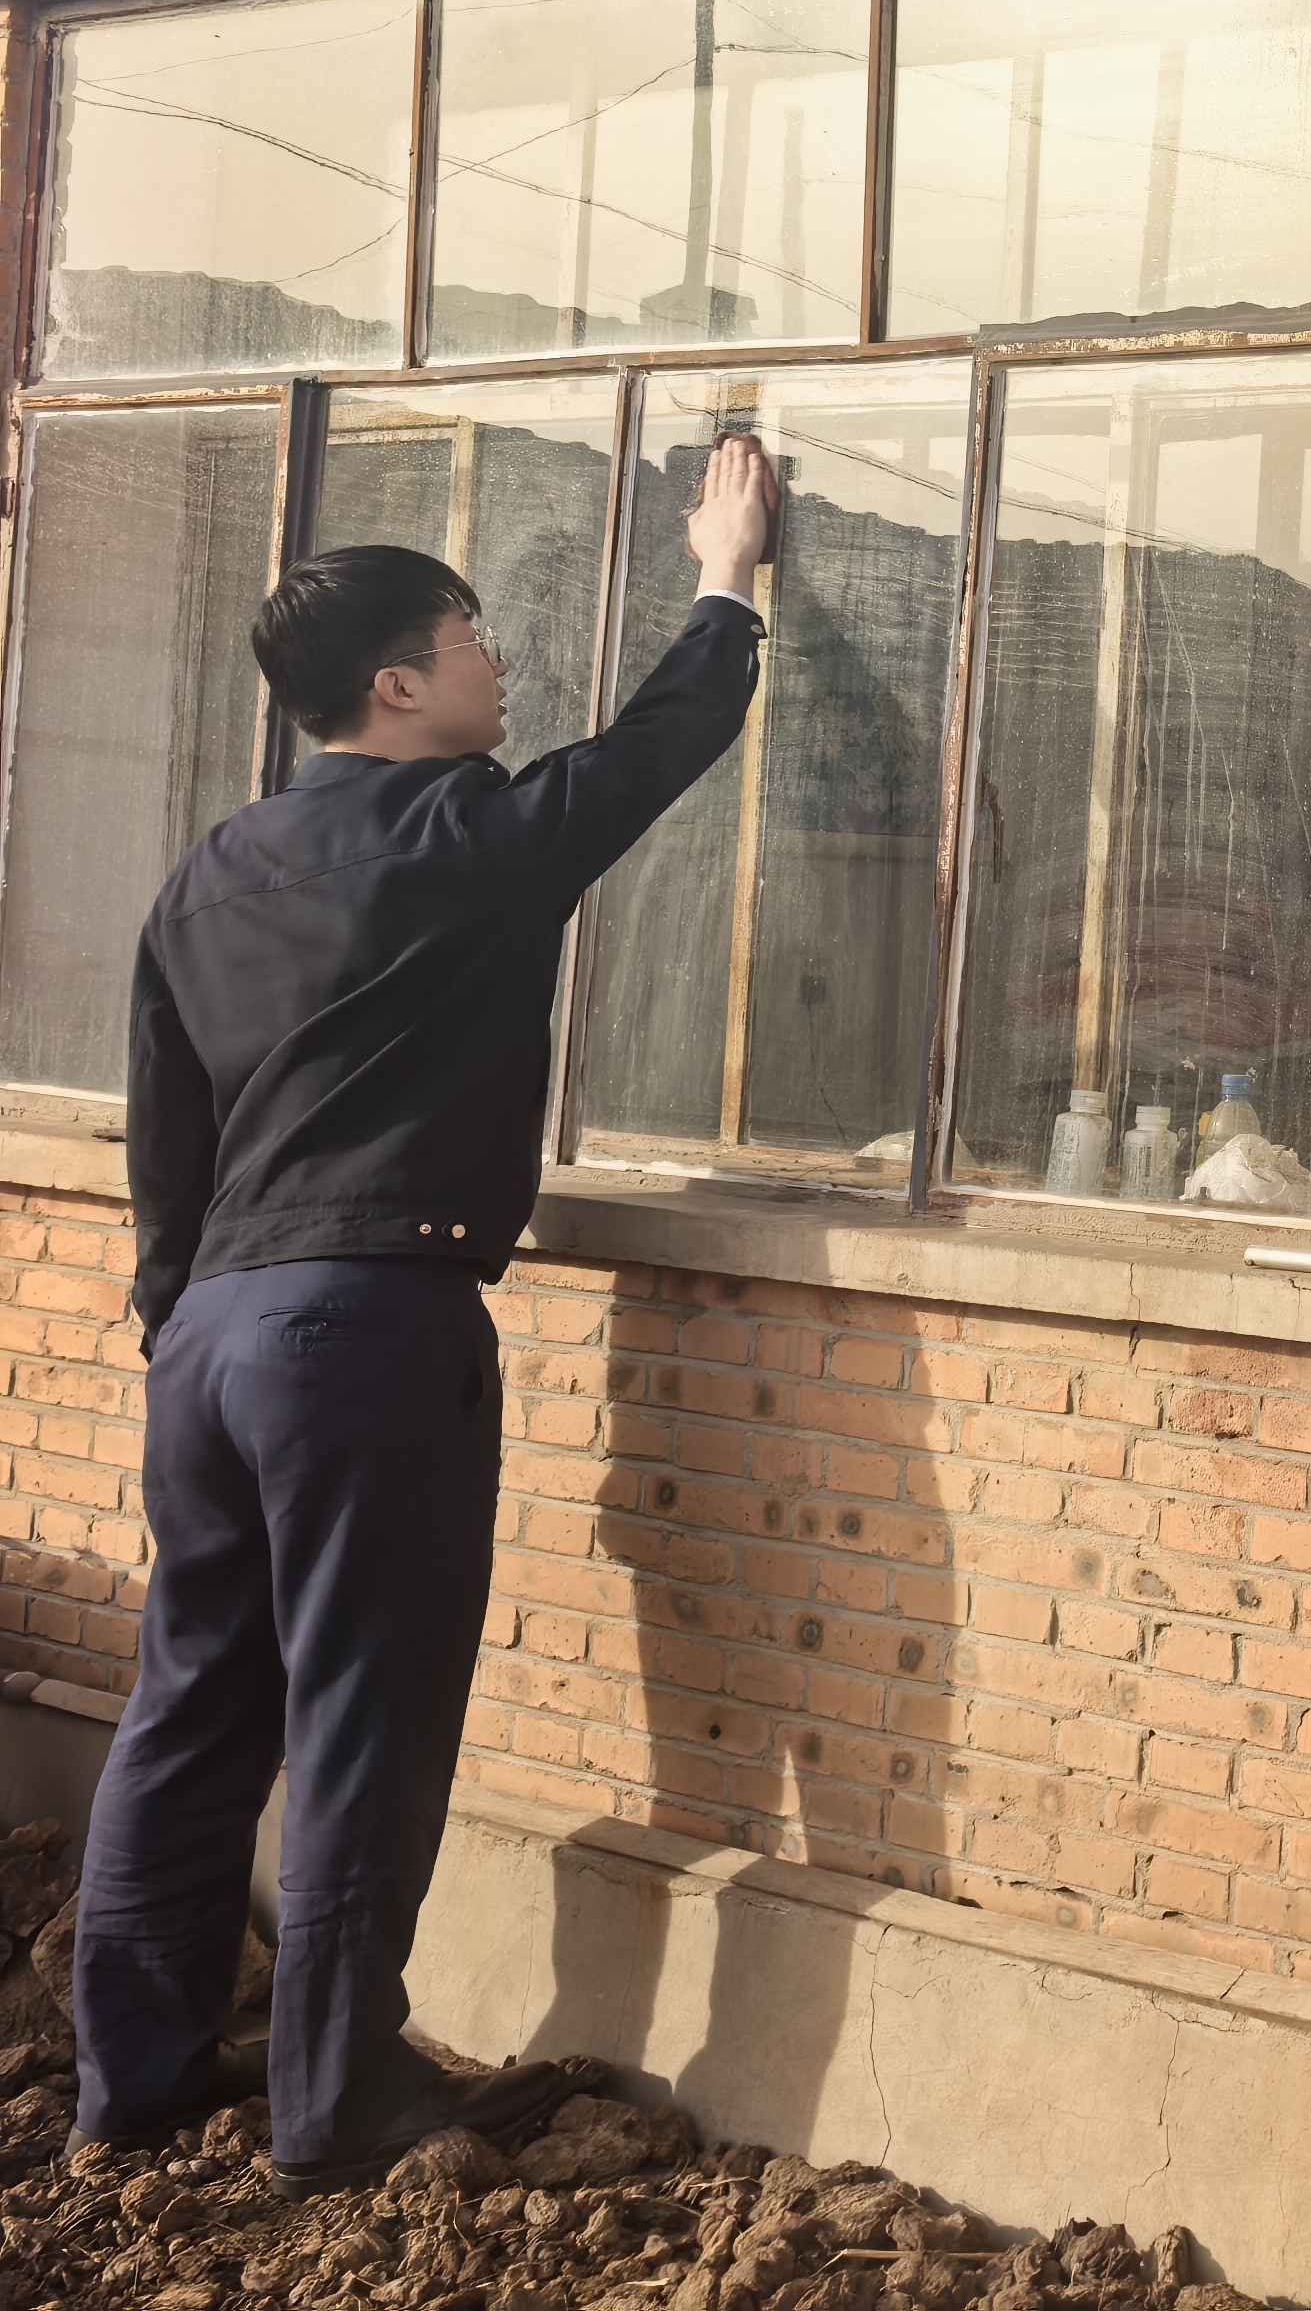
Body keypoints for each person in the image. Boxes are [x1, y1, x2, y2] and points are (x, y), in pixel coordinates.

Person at [86, 434, 783, 2191]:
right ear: (398, 686)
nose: (499, 664)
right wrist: (726, 575)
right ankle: (337, 2102)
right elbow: (659, 748)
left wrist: (178, 1323)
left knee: (190, 1708)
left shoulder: (209, 873)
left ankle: (130, 2079)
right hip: (364, 1330)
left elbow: (166, 1150)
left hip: (212, 1341)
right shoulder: (468, 837)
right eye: (472, 641)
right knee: (362, 1719)